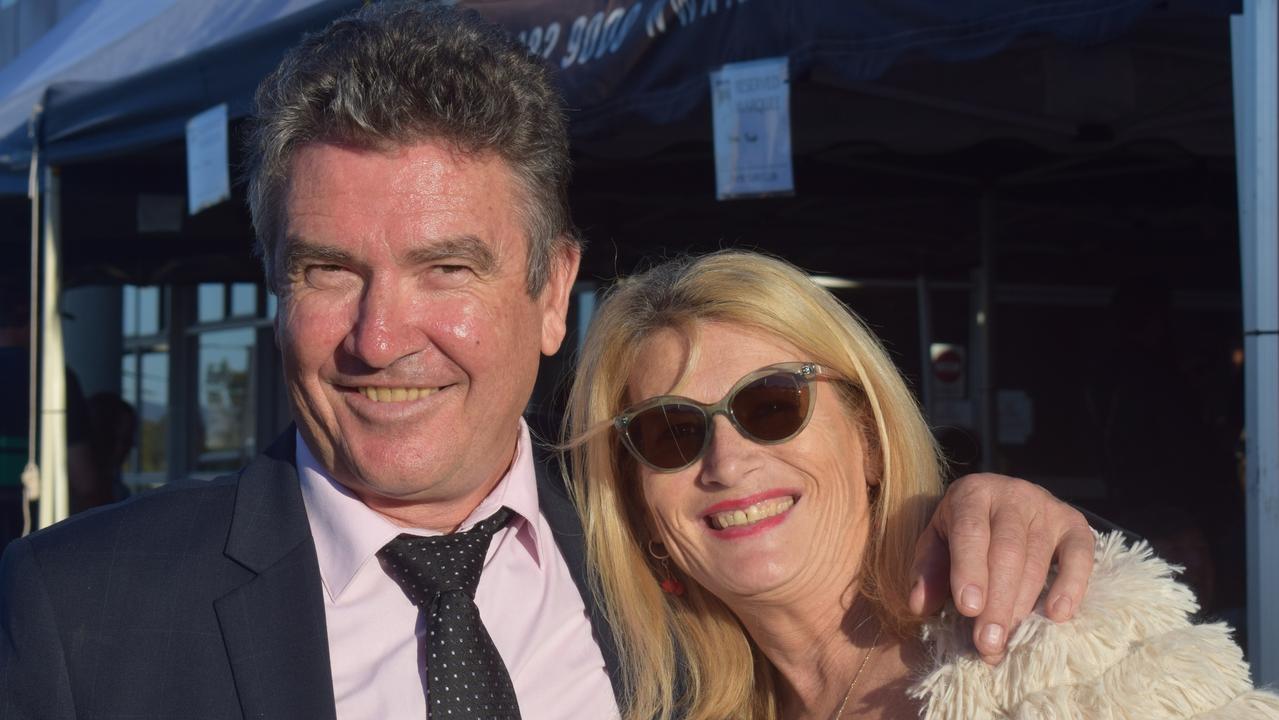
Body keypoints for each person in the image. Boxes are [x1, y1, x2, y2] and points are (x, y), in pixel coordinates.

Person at [1, 5, 1094, 719]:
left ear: (552, 293)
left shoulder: (665, 539)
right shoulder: (78, 615)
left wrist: (983, 510)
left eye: (446, 269)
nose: (382, 339)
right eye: (329, 270)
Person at [563, 250, 1279, 720]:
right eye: (671, 432)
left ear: (869, 440)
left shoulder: (1057, 651)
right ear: (638, 505)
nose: (725, 460)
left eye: (771, 406)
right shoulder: (652, 700)